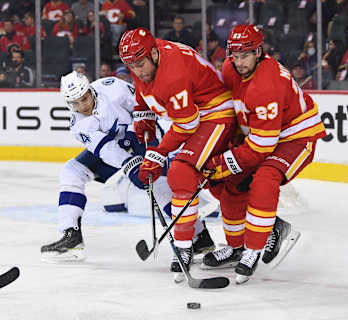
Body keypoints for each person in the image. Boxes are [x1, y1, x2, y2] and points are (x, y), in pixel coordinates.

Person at [40, 71, 215, 262]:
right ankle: (71, 234)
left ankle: (200, 237)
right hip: (117, 150)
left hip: (145, 136)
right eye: (76, 103)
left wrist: (138, 135)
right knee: (72, 171)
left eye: (85, 98)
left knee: (157, 186)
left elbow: (144, 107)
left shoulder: (112, 87)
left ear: (90, 90)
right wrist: (129, 164)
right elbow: (106, 149)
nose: (83, 105)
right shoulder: (77, 125)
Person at [201, 25, 326, 284]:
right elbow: (230, 110)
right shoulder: (229, 69)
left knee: (264, 178)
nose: (239, 62)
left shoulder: (268, 84)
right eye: (234, 55)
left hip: (295, 138)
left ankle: (254, 248)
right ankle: (237, 246)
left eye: (245, 55)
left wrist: (224, 162)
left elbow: (262, 146)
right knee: (230, 185)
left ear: (258, 52)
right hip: (263, 135)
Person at [118, 27, 237, 281]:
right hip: (197, 114)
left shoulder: (173, 73)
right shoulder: (147, 55)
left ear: (152, 53)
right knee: (219, 184)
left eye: (140, 64)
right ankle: (195, 245)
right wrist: (143, 113)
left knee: (180, 172)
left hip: (215, 113)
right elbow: (142, 85)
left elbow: (186, 124)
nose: (137, 70)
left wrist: (157, 153)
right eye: (131, 65)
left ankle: (185, 246)